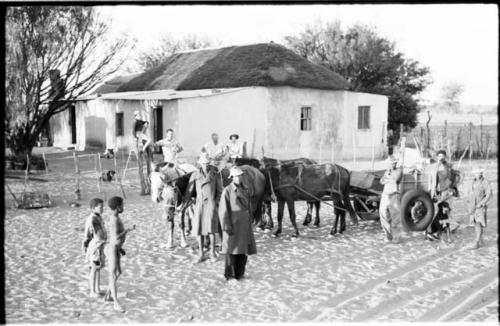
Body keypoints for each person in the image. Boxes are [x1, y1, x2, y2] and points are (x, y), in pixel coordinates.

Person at [218, 167, 257, 280]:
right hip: (233, 226)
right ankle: (229, 275)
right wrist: (226, 226)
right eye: (236, 176)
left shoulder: (246, 189)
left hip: (244, 226)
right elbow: (223, 210)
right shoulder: (228, 190)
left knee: (242, 252)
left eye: (240, 175)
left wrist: (250, 220)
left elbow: (249, 207)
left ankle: (240, 273)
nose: (239, 178)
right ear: (232, 177)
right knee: (231, 251)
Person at [183, 153, 222, 263]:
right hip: (199, 205)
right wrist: (185, 202)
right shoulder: (195, 175)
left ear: (209, 164)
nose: (205, 165)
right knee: (199, 230)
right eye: (203, 163)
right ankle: (201, 253)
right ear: (200, 163)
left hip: (210, 204)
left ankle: (212, 252)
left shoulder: (215, 174)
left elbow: (220, 191)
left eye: (207, 163)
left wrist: (216, 203)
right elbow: (189, 191)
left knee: (211, 231)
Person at [104, 196, 135, 312]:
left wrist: (120, 248)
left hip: (116, 248)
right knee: (112, 275)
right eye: (122, 205)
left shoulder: (116, 217)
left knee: (118, 272)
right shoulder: (114, 220)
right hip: (112, 249)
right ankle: (115, 303)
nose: (123, 207)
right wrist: (127, 230)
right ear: (118, 207)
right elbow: (114, 237)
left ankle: (108, 294)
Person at [426, 149, 456, 241]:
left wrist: (450, 190)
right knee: (435, 212)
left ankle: (439, 232)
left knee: (445, 212)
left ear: (445, 157)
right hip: (435, 192)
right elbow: (430, 179)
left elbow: (453, 180)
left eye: (442, 157)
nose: (440, 158)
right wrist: (430, 190)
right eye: (439, 156)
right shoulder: (433, 166)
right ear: (437, 157)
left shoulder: (449, 167)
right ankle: (431, 232)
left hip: (445, 192)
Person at [82, 198, 107, 298]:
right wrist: (85, 245)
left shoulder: (99, 217)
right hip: (95, 246)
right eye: (100, 207)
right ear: (93, 208)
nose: (102, 209)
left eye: (103, 207)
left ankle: (97, 288)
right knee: (93, 267)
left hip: (100, 245)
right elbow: (87, 234)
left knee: (98, 267)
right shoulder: (91, 219)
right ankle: (92, 290)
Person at [379, 156, 403, 243]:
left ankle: (397, 237)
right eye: (391, 162)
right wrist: (387, 178)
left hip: (394, 195)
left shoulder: (399, 170)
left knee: (395, 217)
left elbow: (396, 180)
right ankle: (388, 236)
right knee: (383, 215)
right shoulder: (387, 171)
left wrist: (387, 178)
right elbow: (381, 181)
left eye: (394, 162)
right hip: (385, 195)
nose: (393, 164)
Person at [468, 167, 492, 249]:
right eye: (475, 173)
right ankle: (480, 240)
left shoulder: (485, 182)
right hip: (472, 206)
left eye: (478, 173)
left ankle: (477, 242)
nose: (476, 174)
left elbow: (489, 194)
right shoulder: (473, 181)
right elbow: (471, 193)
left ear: (481, 173)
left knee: (479, 223)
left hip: (480, 206)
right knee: (475, 223)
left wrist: (481, 203)